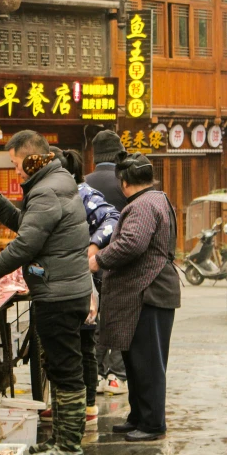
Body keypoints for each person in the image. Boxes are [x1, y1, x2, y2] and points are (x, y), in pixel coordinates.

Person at [0, 130, 91, 455]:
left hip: (59, 294)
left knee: (65, 369)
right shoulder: (55, 183)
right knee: (62, 366)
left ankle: (68, 445)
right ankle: (62, 439)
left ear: (35, 158)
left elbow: (26, 245)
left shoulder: (47, 191)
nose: (16, 170)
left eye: (17, 163)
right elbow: (30, 226)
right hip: (66, 289)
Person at [89, 151, 180, 442]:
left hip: (150, 293)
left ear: (125, 182)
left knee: (148, 362)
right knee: (135, 360)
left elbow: (132, 243)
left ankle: (153, 423)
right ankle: (138, 416)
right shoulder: (154, 199)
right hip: (145, 293)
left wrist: (99, 259)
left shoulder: (142, 205)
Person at [36, 147, 119, 430]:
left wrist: (93, 247)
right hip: (58, 283)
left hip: (82, 283)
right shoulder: (55, 193)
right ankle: (65, 407)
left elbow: (113, 218)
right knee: (66, 347)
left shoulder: (82, 193)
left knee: (83, 344)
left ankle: (87, 407)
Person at [85, 130, 129, 396]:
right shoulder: (126, 182)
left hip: (91, 262)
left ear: (95, 156)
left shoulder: (84, 183)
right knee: (122, 319)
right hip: (121, 262)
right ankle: (116, 376)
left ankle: (98, 371)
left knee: (95, 318)